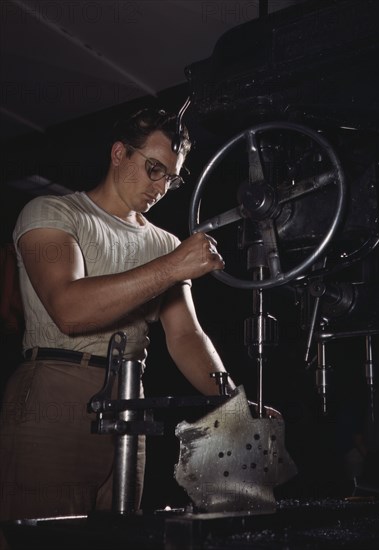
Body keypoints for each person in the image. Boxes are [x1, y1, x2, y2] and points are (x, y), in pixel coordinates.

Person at [0, 107, 242, 533]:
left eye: (172, 177)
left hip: (129, 406)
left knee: (120, 538)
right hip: (53, 396)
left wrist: (234, 404)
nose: (161, 186)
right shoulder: (52, 213)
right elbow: (69, 310)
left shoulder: (164, 243)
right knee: (44, 541)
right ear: (118, 153)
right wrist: (172, 266)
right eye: (153, 169)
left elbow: (185, 335)